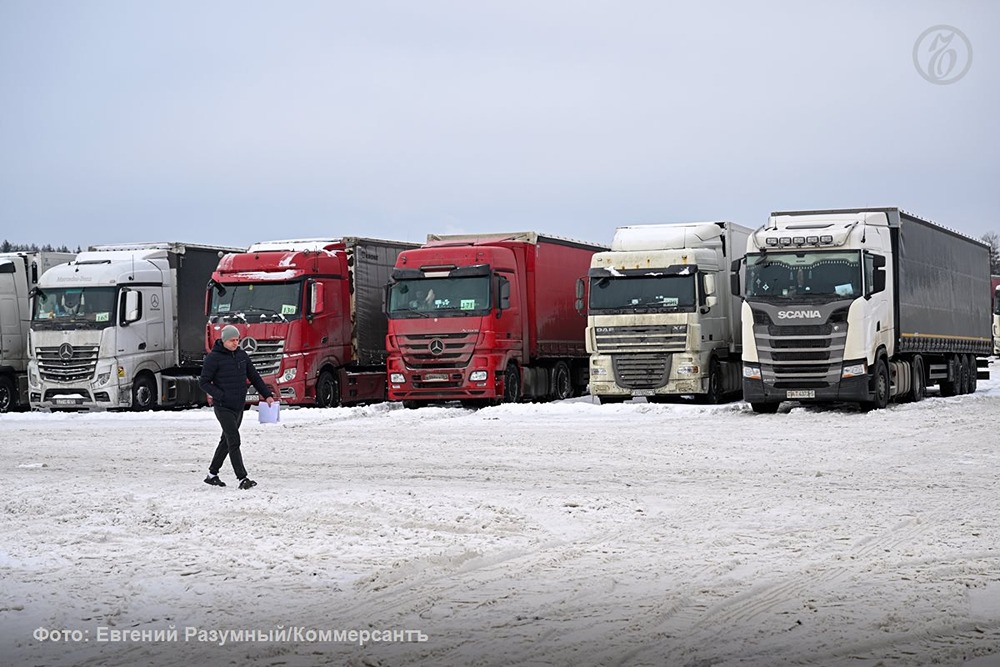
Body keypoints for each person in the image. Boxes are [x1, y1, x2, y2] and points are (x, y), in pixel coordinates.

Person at [200, 325, 274, 490]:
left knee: (226, 441)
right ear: (224, 340)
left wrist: (267, 394)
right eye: (232, 340)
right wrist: (220, 396)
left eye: (237, 340)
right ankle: (242, 478)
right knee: (234, 440)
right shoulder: (214, 358)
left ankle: (212, 475)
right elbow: (203, 382)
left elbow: (254, 376)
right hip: (223, 407)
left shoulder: (241, 356)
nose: (235, 343)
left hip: (238, 406)